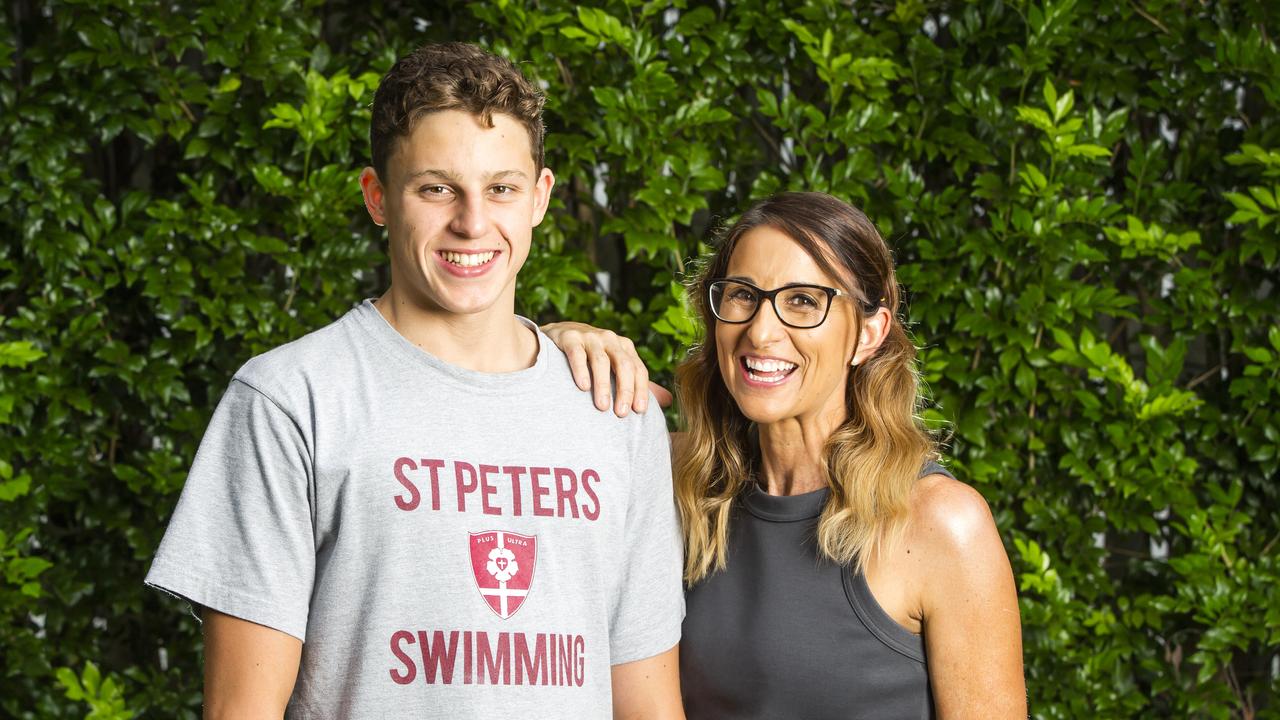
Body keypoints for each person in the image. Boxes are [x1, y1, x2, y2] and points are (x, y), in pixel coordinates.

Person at [145, 42, 685, 719]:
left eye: (501, 189)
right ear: (377, 197)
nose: (473, 222)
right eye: (436, 188)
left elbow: (648, 704)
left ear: (539, 199)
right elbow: (239, 711)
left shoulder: (616, 410)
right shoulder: (290, 400)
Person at [545, 191, 1026, 718]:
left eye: (803, 300)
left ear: (869, 333)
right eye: (742, 295)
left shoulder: (941, 524)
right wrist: (555, 346)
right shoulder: (671, 477)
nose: (761, 331)